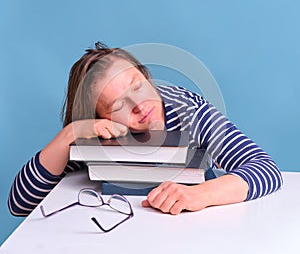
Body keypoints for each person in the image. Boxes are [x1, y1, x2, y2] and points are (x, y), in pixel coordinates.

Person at [8, 42, 283, 216]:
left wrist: (198, 194)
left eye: (138, 85)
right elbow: (21, 203)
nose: (140, 105)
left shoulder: (186, 109)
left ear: (145, 74)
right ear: (101, 118)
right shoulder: (98, 132)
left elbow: (265, 169)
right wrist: (71, 133)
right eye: (119, 105)